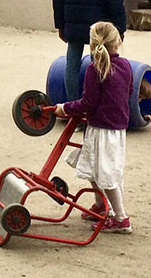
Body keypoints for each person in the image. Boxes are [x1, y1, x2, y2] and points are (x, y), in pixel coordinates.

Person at [58, 20, 135, 234]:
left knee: (107, 173)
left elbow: (87, 102)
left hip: (102, 129)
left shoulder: (95, 69)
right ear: (117, 41)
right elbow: (128, 92)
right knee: (93, 164)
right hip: (116, 128)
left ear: (92, 45)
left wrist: (64, 108)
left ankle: (121, 218)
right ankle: (100, 205)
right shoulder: (126, 65)